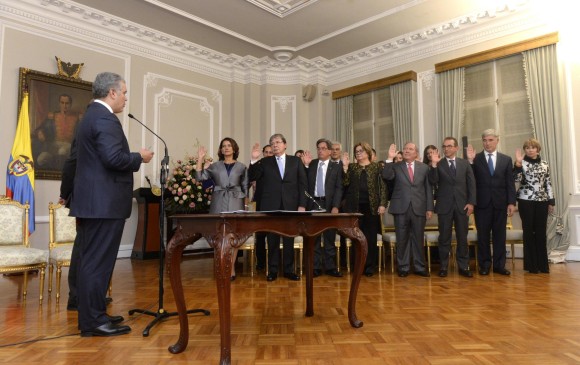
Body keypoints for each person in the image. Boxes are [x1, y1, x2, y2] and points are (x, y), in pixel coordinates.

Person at [69, 72, 153, 337]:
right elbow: (113, 159)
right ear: (112, 93)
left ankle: (94, 314)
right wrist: (139, 156)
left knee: (93, 262)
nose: (126, 98)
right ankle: (92, 323)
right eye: (125, 92)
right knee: (97, 264)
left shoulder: (90, 116)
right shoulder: (105, 118)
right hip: (103, 204)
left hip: (95, 204)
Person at [248, 133, 307, 281]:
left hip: (291, 205)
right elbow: (252, 176)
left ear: (285, 145)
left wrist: (302, 205)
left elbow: (303, 184)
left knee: (289, 239)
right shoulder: (265, 162)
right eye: (272, 143)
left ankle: (289, 270)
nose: (275, 145)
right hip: (271, 205)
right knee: (272, 239)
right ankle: (272, 270)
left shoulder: (295, 161)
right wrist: (254, 159)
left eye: (278, 142)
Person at [196, 137, 248, 280]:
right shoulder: (215, 166)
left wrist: (245, 205)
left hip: (236, 201)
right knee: (218, 235)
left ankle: (230, 269)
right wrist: (200, 159)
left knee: (234, 236)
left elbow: (245, 187)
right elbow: (200, 177)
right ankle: (220, 267)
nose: (226, 148)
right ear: (221, 150)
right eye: (223, 146)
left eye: (229, 145)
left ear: (234, 149)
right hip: (218, 200)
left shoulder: (242, 167)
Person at [466, 129, 516, 276]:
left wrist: (511, 203)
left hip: (500, 204)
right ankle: (484, 265)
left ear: (497, 140)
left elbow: (510, 183)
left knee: (500, 236)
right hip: (481, 204)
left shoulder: (506, 159)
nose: (487, 143)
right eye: (485, 140)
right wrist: (470, 162)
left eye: (490, 140)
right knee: (483, 237)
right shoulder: (475, 159)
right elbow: (470, 181)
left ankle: (499, 265)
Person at [382, 142, 434, 277]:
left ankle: (419, 267)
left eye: (410, 149)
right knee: (402, 238)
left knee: (418, 238)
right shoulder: (396, 166)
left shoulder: (424, 168)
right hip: (401, 208)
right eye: (405, 148)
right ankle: (403, 267)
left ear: (416, 153)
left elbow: (428, 189)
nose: (406, 151)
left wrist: (429, 207)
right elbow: (386, 176)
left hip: (419, 207)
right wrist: (389, 159)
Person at [428, 137, 476, 278]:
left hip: (462, 206)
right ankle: (443, 266)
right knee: (444, 238)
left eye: (449, 146)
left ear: (456, 148)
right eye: (444, 146)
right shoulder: (439, 164)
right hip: (444, 206)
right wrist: (434, 165)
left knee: (462, 237)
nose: (446, 149)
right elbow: (433, 181)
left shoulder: (464, 164)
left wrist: (471, 202)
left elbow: (471, 184)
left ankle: (463, 266)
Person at [342, 142, 387, 277]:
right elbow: (345, 184)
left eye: (361, 151)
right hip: (354, 208)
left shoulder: (376, 167)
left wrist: (382, 204)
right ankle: (358, 265)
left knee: (370, 238)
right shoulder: (352, 167)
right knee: (356, 237)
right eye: (356, 151)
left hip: (371, 207)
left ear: (367, 152)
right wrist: (344, 168)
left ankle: (369, 266)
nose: (358, 153)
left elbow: (382, 187)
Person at [302, 139, 344, 278]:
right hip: (313, 203)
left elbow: (339, 188)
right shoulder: (312, 164)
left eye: (323, 148)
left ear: (330, 151)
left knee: (329, 236)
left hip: (328, 204)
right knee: (313, 237)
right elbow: (304, 183)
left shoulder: (336, 166)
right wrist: (305, 166)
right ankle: (315, 267)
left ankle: (330, 267)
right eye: (318, 148)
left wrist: (336, 206)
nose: (320, 150)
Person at [513, 138, 555, 274]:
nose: (530, 150)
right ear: (525, 150)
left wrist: (551, 201)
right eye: (527, 147)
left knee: (541, 232)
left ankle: (543, 265)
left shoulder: (545, 164)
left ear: (538, 149)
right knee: (529, 232)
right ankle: (531, 266)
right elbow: (515, 180)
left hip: (542, 201)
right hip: (525, 201)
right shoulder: (522, 163)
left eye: (533, 147)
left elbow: (547, 183)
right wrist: (518, 165)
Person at [252, 144, 273, 271]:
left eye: (271, 152)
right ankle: (260, 262)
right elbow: (251, 176)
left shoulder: (278, 167)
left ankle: (273, 262)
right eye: (266, 152)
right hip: (261, 205)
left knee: (273, 235)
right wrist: (254, 160)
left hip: (275, 206)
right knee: (260, 235)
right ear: (263, 154)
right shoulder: (259, 166)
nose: (269, 154)